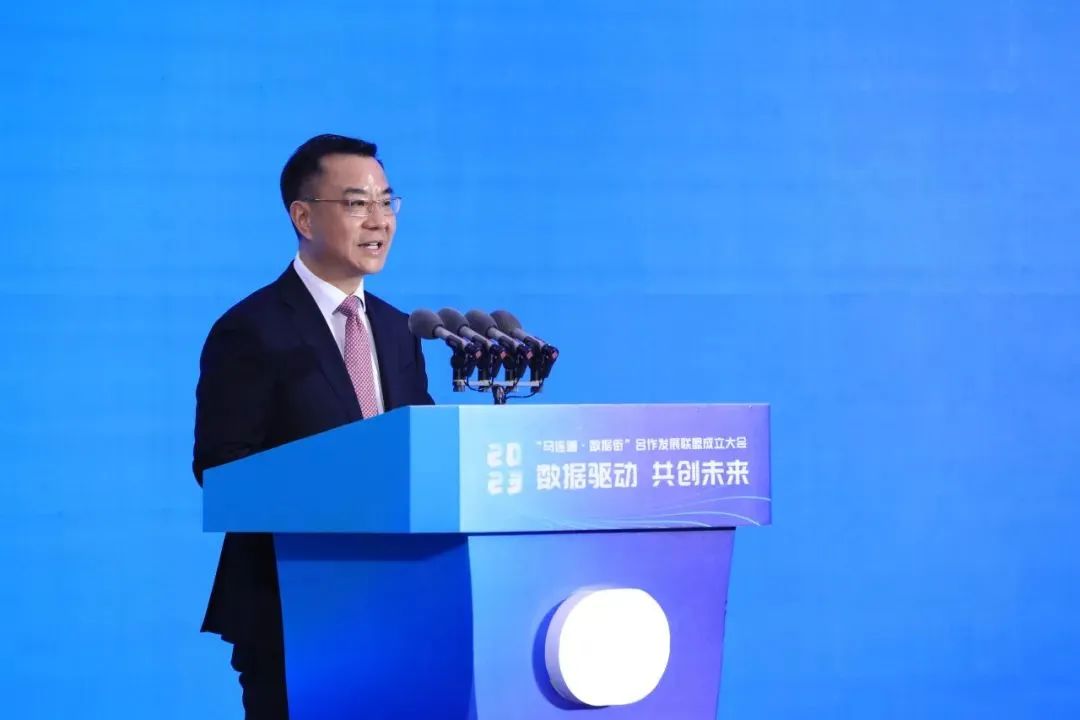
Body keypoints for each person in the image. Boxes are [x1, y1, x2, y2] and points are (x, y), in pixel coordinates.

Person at [192, 133, 435, 719]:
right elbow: (221, 470)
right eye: (357, 204)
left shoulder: (400, 330)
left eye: (387, 202)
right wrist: (344, 485)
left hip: (400, 606)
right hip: (292, 609)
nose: (378, 220)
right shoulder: (251, 330)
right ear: (303, 217)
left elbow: (423, 453)